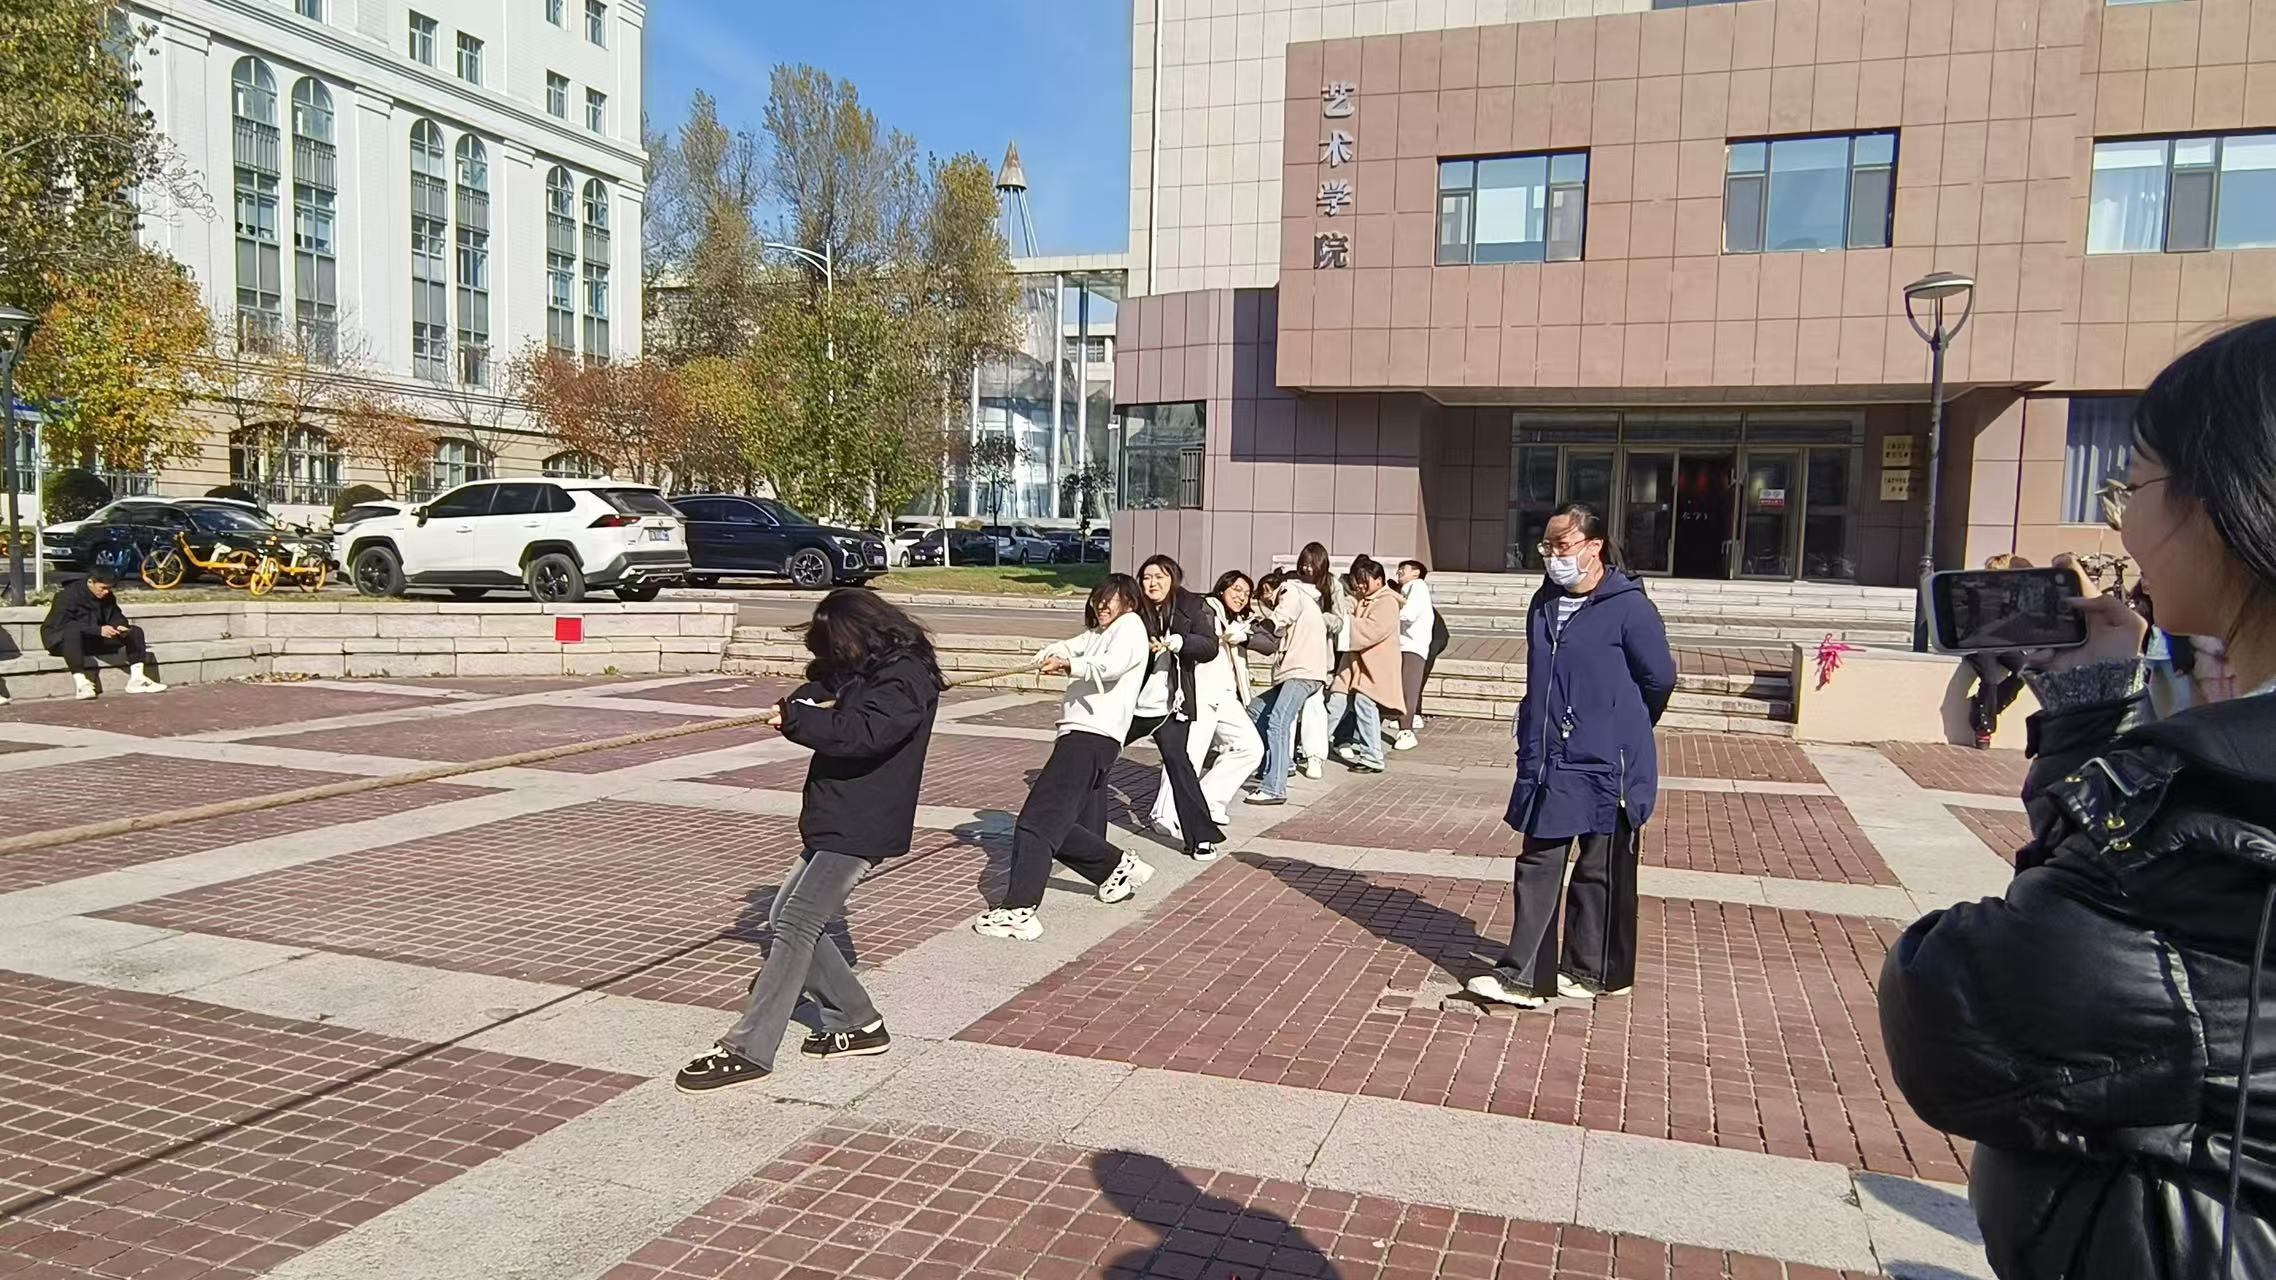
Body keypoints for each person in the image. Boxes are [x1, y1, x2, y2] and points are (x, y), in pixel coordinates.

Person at [1879, 318, 2276, 1279]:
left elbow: (1956, 1013)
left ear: (2227, 499)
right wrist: (2095, 720)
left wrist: (2099, 734)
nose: (2123, 526)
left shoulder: (2220, 818)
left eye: (2131, 487)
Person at [675, 590, 944, 1093]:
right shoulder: (873, 667)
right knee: (785, 915)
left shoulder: (905, 678)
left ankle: (749, 1048)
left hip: (862, 820)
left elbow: (865, 732)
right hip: (837, 812)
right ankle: (857, 1021)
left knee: (797, 922)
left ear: (859, 634)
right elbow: (833, 683)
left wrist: (799, 720)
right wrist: (799, 700)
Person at [1470, 502, 1675, 1010]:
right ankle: (1524, 976)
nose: (1552, 556)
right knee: (1538, 862)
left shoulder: (1629, 608)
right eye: (1546, 546)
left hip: (1609, 762)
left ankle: (1597, 971)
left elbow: (1659, 679)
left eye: (1561, 545)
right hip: (1550, 758)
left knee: (1600, 871)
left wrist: (1620, 724)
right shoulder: (1544, 604)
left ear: (1593, 546)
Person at [973, 575, 1156, 941]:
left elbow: (1112, 666)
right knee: (1054, 823)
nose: (1102, 605)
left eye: (1110, 599)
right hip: (1086, 738)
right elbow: (1069, 646)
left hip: (1090, 737)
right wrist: (1049, 656)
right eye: (1098, 598)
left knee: (1035, 822)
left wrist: (1071, 666)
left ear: (1130, 603)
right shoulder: (1100, 634)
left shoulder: (1131, 627)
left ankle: (1019, 910)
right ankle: (1115, 867)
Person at [1149, 570, 1270, 854]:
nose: (1241, 596)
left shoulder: (1241, 621)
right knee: (1188, 756)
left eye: (1246, 593)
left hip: (1226, 695)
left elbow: (1269, 642)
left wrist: (1244, 636)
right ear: (1222, 588)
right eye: (1236, 589)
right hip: (1199, 692)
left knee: (1250, 748)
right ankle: (1163, 814)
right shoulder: (1205, 608)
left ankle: (1207, 802)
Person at [1134, 555, 1227, 861]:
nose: (1152, 583)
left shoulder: (1191, 606)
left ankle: (1201, 836)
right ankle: (1082, 828)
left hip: (1171, 703)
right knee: (1098, 756)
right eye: (1147, 577)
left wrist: (1179, 642)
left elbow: (1209, 646)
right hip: (1131, 703)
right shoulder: (1134, 608)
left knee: (1180, 765)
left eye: (1159, 577)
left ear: (1173, 578)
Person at [1244, 568, 1329, 807]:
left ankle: (1274, 788)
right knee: (1255, 710)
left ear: (1271, 588)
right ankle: (1276, 766)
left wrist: (1262, 625)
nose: (1266, 601)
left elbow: (1281, 616)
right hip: (1297, 673)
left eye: (1265, 595)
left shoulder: (1290, 589)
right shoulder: (1304, 600)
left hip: (1301, 672)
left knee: (1278, 722)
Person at [1324, 556, 1405, 774]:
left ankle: (1373, 757)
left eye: (1364, 581)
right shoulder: (1363, 598)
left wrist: (1345, 623)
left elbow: (1372, 630)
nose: (1360, 585)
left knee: (1364, 703)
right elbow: (1346, 609)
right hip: (1354, 665)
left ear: (1379, 580)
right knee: (1336, 701)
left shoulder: (1387, 602)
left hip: (1375, 666)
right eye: (1358, 581)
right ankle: (1313, 746)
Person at [42, 568, 166, 700]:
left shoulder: (107, 596)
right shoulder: (66, 596)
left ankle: (137, 679)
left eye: (109, 588)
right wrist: (98, 630)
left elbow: (116, 616)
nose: (106, 592)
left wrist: (119, 626)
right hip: (61, 641)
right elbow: (64, 626)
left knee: (135, 631)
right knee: (72, 630)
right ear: (90, 582)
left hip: (93, 639)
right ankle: (81, 684)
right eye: (103, 588)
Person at [1965, 552, 2035, 748]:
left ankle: (1986, 710)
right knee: (1990, 678)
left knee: (2026, 670)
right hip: (1979, 643)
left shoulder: (2016, 596)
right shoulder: (1980, 592)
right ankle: (1983, 728)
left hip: (2003, 644)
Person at [1293, 542, 1345, 780]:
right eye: (1304, 564)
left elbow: (1339, 620)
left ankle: (1314, 757)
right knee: (1289, 708)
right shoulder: (1293, 583)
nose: (1308, 569)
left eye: (1312, 564)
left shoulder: (1332, 584)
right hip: (1292, 654)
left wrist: (1319, 618)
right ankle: (1287, 757)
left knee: (1314, 706)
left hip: (1318, 655)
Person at [1392, 560, 1436, 750]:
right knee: (1403, 687)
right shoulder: (1407, 590)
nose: (1399, 572)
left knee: (1408, 688)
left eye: (1404, 569)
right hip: (1404, 646)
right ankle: (1403, 721)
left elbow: (1409, 614)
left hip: (1412, 646)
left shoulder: (1417, 587)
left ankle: (1406, 731)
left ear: (1416, 573)